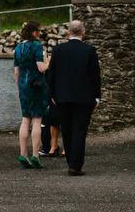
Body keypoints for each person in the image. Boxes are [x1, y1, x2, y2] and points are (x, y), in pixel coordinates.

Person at [46, 18, 101, 176]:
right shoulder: (89, 50)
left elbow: (52, 74)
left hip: (62, 97)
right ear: (83, 33)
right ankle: (76, 165)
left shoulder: (58, 50)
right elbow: (95, 76)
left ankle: (71, 161)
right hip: (84, 97)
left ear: (68, 32)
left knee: (67, 130)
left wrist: (53, 95)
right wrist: (96, 96)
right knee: (80, 130)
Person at [14, 21, 50, 169]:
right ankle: (35, 155)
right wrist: (49, 62)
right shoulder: (36, 46)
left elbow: (16, 72)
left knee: (25, 120)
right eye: (38, 31)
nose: (40, 33)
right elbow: (41, 68)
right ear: (33, 32)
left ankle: (23, 154)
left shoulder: (18, 48)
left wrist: (20, 88)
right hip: (36, 85)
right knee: (36, 120)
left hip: (23, 85)